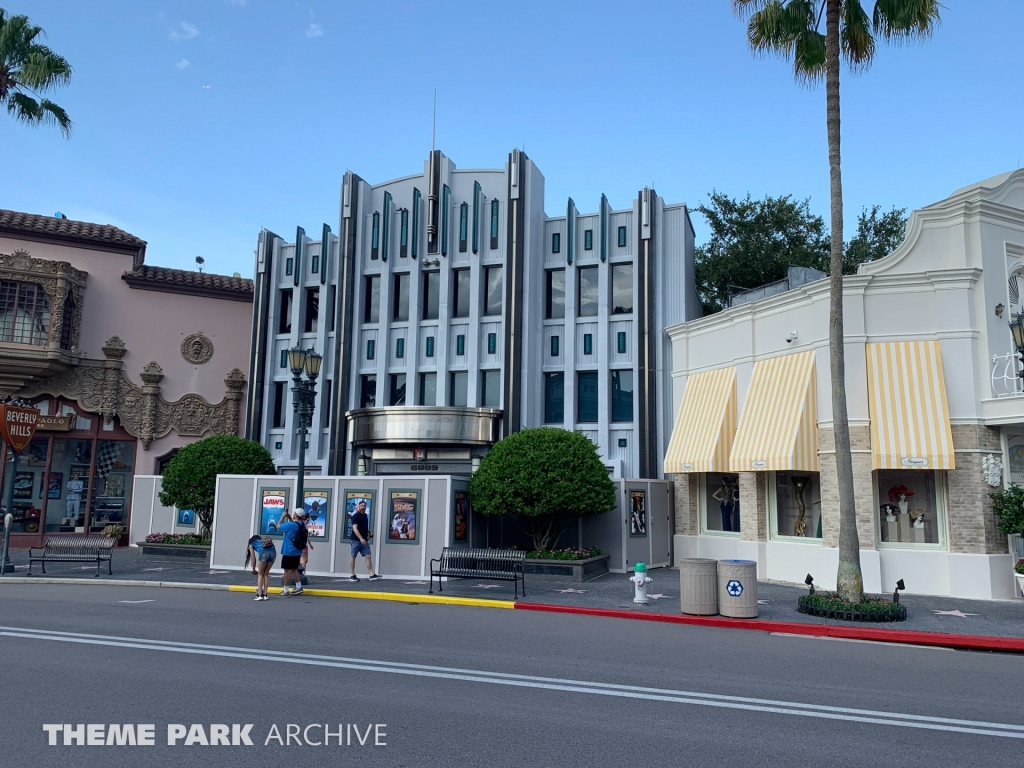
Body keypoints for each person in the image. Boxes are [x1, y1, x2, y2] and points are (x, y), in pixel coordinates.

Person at [349, 499, 381, 582]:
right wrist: (361, 538)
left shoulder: (365, 516)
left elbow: (364, 527)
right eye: (361, 506)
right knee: (353, 556)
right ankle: (352, 575)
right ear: (358, 507)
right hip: (356, 540)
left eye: (364, 506)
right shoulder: (355, 516)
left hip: (364, 540)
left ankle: (371, 574)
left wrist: (369, 532)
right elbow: (355, 529)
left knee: (368, 556)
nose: (363, 507)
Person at [277, 508, 306, 596]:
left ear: (296, 515)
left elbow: (277, 526)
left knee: (287, 571)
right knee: (294, 569)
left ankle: (286, 590)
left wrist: (282, 517)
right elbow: (295, 526)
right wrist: (289, 517)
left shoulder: (290, 525)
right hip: (297, 551)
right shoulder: (303, 525)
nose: (292, 514)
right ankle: (299, 587)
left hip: (289, 551)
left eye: (294, 513)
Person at [255, 535, 276, 600]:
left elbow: (253, 558)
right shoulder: (270, 543)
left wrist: (253, 569)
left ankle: (259, 594)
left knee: (260, 574)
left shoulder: (252, 543)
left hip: (263, 554)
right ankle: (265, 594)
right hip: (273, 553)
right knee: (266, 574)